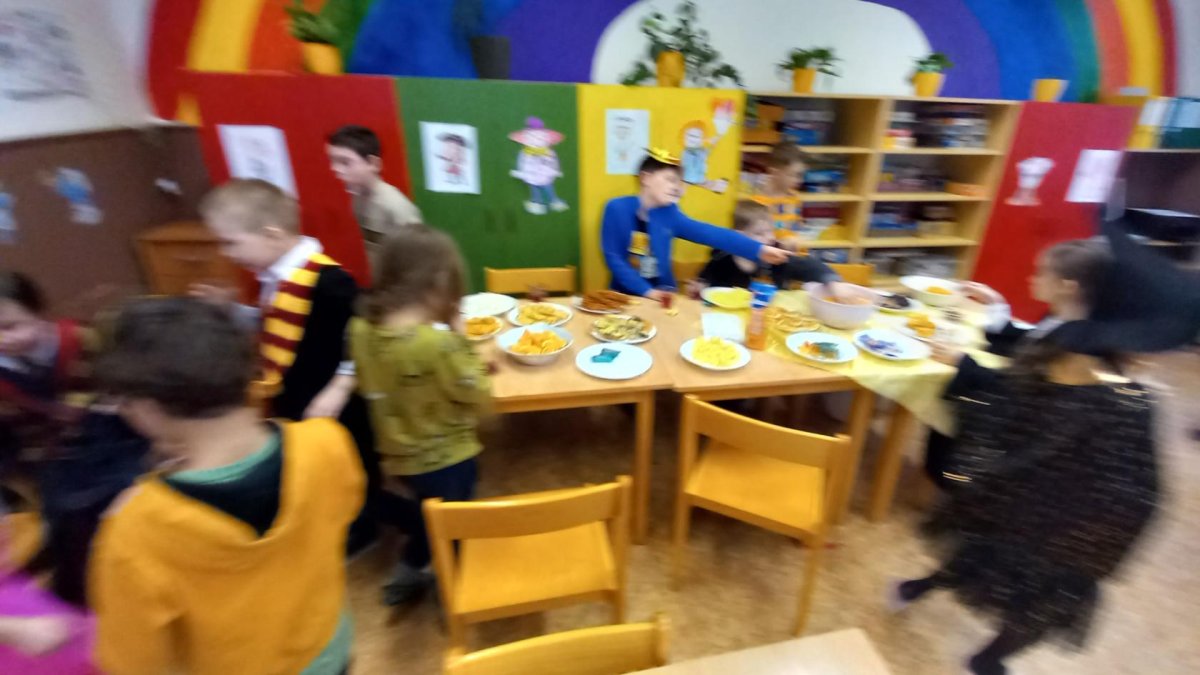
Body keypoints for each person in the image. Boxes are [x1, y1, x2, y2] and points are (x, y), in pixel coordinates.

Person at [891, 217, 1200, 675]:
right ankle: (947, 606)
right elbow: (1011, 404)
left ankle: (975, 643)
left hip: (1049, 519)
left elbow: (1131, 488)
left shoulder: (1105, 386)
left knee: (1013, 581)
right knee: (996, 566)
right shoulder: (1083, 372)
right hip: (1034, 510)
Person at [90, 297, 364, 675]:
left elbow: (133, 663)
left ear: (147, 408)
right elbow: (343, 511)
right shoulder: (326, 442)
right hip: (330, 645)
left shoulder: (135, 530)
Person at [192, 179, 379, 554]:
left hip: (334, 403)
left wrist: (340, 386)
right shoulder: (276, 279)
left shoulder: (330, 282)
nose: (226, 253)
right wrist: (234, 310)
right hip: (296, 394)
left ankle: (365, 526)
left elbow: (365, 336)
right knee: (317, 466)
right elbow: (282, 324)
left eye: (231, 242)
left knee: (353, 464)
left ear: (272, 234)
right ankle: (337, 514)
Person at [349, 225, 490, 606]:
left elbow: (366, 378)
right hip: (449, 458)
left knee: (429, 511)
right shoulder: (438, 345)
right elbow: (479, 394)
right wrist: (461, 338)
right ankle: (450, 590)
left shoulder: (360, 329)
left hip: (398, 454)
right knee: (451, 523)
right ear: (439, 283)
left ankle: (412, 565)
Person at [601, 149, 791, 303]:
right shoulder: (617, 208)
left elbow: (711, 234)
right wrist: (647, 291)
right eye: (670, 179)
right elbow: (615, 259)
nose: (677, 187)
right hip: (624, 295)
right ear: (646, 178)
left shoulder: (670, 214)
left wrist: (758, 249)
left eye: (679, 182)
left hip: (662, 296)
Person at [692, 200, 852, 297]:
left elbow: (810, 266)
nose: (770, 238)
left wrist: (833, 282)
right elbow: (704, 284)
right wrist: (699, 288)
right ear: (739, 237)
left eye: (770, 231)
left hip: (772, 320)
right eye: (760, 233)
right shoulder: (721, 260)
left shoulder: (777, 257)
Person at [326, 125, 423, 268]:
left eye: (345, 162)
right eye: (333, 161)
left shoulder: (395, 206)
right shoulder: (358, 200)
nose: (335, 169)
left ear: (373, 163)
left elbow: (420, 256)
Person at [751, 142, 809, 239]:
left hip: (794, 245)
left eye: (800, 175)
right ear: (774, 173)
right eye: (793, 175)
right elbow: (767, 231)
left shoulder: (794, 196)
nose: (800, 180)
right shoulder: (759, 201)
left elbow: (797, 224)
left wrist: (800, 225)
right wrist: (786, 224)